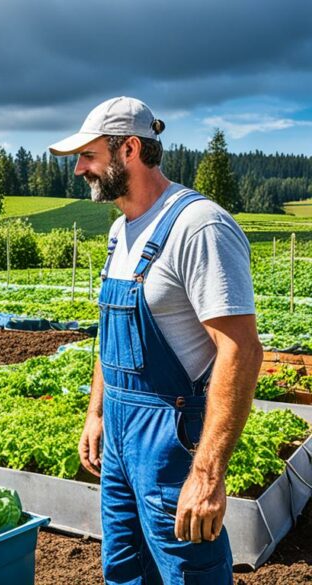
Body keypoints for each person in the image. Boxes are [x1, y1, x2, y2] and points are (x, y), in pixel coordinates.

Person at [49, 97, 262, 584]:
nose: (80, 168)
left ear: (129, 149)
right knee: (124, 568)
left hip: (171, 439)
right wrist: (98, 412)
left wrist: (208, 476)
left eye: (89, 155)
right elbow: (111, 329)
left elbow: (241, 349)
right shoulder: (120, 232)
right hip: (121, 438)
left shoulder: (197, 226)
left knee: (187, 571)